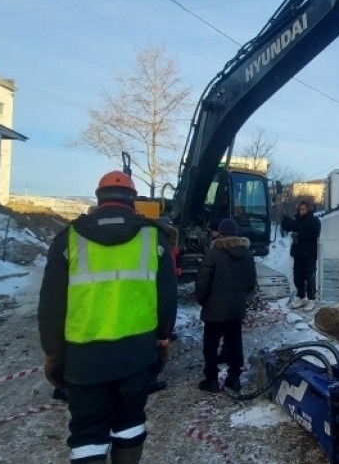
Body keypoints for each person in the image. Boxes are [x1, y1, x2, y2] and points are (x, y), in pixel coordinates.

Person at [38, 171, 178, 464]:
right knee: (130, 422)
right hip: (137, 354)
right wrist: (163, 340)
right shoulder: (153, 238)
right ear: (133, 199)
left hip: (84, 357)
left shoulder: (70, 238)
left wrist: (53, 352)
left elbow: (51, 303)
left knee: (88, 432)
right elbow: (167, 296)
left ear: (99, 198)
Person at [194, 218, 257, 393]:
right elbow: (251, 283)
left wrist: (203, 300)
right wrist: (242, 299)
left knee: (211, 345)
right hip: (236, 308)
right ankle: (234, 379)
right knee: (235, 343)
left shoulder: (213, 253)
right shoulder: (247, 254)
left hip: (214, 309)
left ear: (220, 234)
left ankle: (212, 380)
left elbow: (202, 282)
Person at [280, 200, 321, 311]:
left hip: (309, 253)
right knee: (298, 276)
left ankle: (311, 299)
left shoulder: (313, 220)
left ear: (308, 209)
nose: (301, 211)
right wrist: (285, 220)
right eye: (300, 209)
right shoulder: (296, 220)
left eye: (303, 209)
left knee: (309, 276)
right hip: (298, 253)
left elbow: (315, 233)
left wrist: (299, 234)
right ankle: (301, 297)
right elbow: (288, 227)